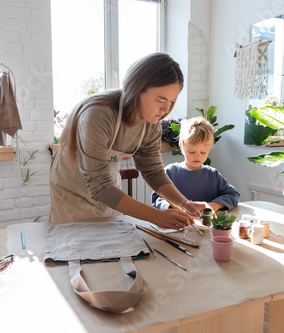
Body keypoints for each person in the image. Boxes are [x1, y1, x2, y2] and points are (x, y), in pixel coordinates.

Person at [49, 53, 206, 229]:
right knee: (76, 246)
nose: (166, 109)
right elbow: (99, 186)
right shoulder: (98, 116)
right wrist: (155, 216)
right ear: (137, 89)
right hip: (72, 191)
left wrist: (184, 204)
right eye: (161, 100)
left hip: (108, 190)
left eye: (172, 101)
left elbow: (152, 171)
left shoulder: (152, 122)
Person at [152, 117, 240, 213]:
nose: (197, 157)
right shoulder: (171, 171)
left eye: (203, 152)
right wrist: (174, 206)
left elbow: (233, 195)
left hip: (205, 225)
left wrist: (215, 205)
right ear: (181, 146)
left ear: (209, 149)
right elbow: (157, 198)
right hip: (177, 224)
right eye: (192, 152)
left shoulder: (212, 174)